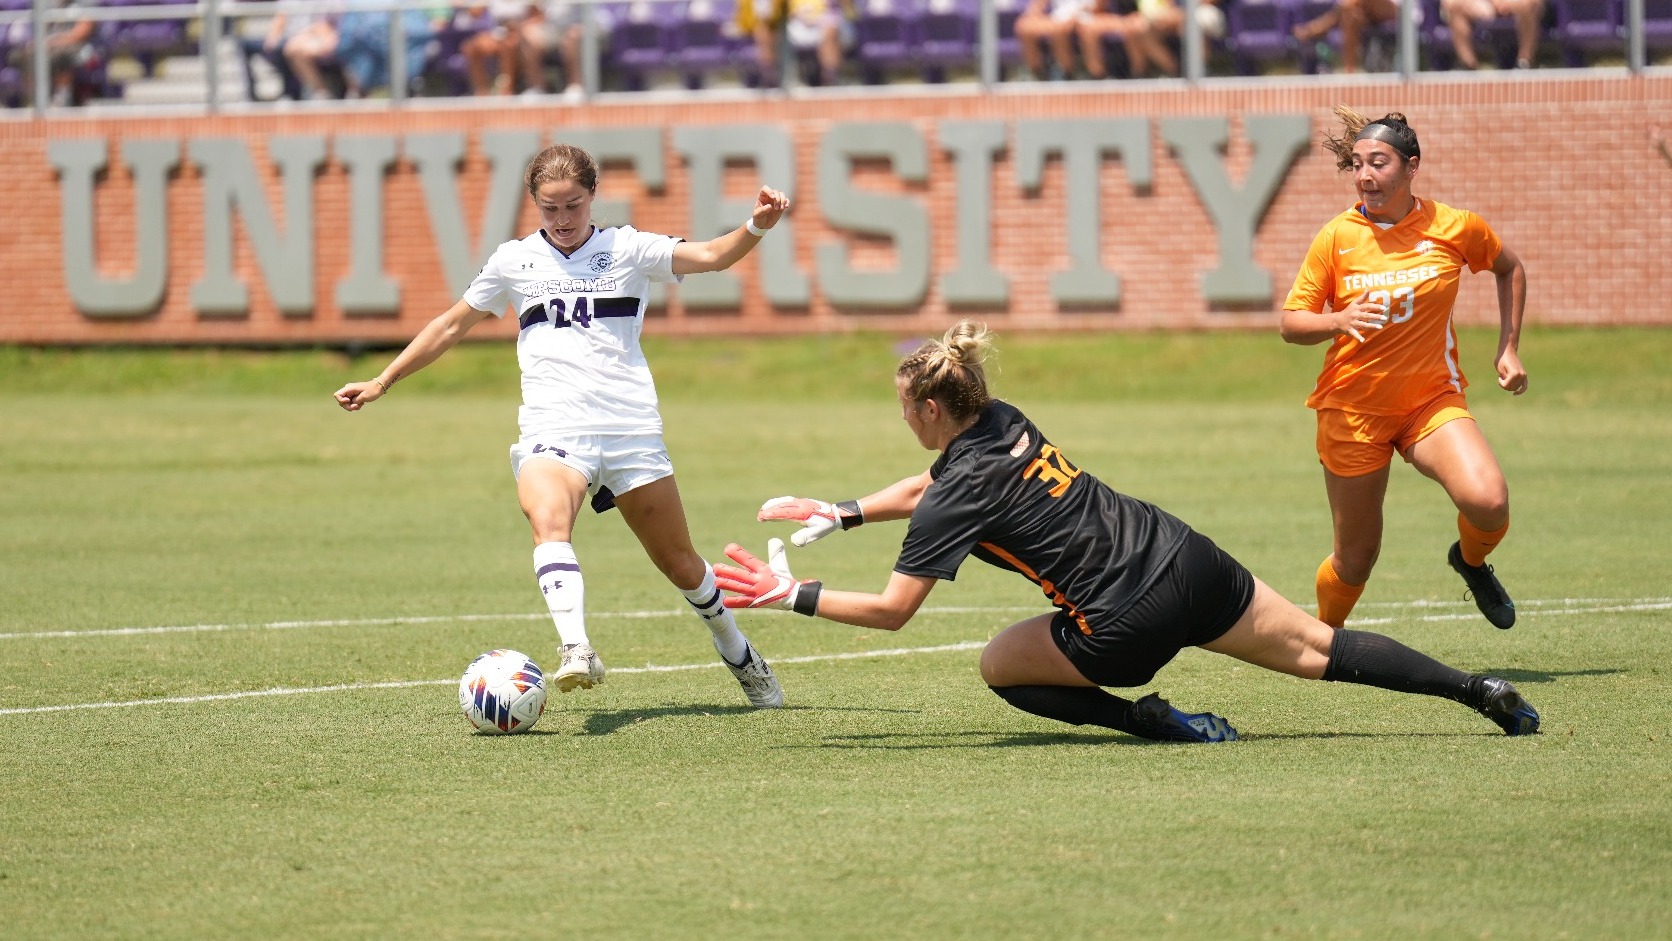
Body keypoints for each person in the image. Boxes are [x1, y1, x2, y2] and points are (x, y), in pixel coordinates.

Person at [713, 321, 1540, 743]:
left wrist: (794, 595)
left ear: (929, 408)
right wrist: (845, 509)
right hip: (1186, 556)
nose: (903, 420)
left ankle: (1147, 721)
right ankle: (1478, 692)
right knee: (1322, 650)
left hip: (1124, 624)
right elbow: (929, 485)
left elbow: (895, 609)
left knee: (997, 664)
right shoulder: (998, 417)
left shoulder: (955, 488)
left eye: (904, 408)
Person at [333, 144, 790, 709]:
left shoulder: (627, 248)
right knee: (548, 520)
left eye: (573, 204)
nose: (564, 218)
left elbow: (714, 256)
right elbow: (452, 325)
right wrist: (383, 380)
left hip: (629, 429)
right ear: (534, 205)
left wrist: (755, 226)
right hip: (554, 428)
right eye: (550, 209)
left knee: (681, 564)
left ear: (592, 197)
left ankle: (737, 649)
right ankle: (577, 648)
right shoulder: (513, 261)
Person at [1279, 107, 1528, 633]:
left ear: (1411, 167)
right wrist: (1337, 319)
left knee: (1489, 501)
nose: (1365, 175)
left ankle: (1471, 561)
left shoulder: (1454, 227)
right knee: (1354, 559)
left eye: (1379, 163)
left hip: (1429, 401)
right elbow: (1291, 323)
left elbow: (1509, 267)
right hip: (1353, 411)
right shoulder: (1336, 237)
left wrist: (1509, 347)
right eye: (1358, 164)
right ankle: (1326, 642)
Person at [1290, 0, 1400, 73]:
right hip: (1369, 12)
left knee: (1347, 5)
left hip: (1397, 12)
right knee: (1350, 17)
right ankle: (1350, 71)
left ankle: (1313, 29)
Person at [1440, 0, 1544, 70]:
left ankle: (1524, 63)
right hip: (1486, 4)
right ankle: (1468, 66)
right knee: (1453, 4)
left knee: (1528, 3)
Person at [1014, 0, 1095, 79]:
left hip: (1086, 18)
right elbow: (1036, 8)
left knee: (1059, 30)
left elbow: (1097, 7)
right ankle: (1037, 75)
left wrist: (1074, 15)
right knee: (1024, 26)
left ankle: (1068, 74)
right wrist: (1033, 14)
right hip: (1058, 19)